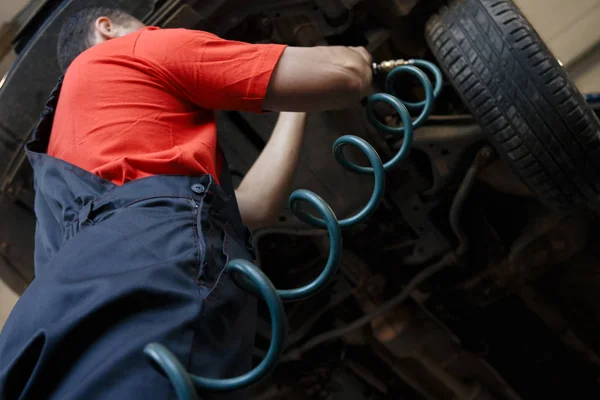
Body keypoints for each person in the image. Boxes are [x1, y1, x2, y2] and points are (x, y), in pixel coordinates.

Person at [0, 6, 372, 399]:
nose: (159, 33)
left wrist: (295, 110)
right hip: (150, 273)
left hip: (38, 330)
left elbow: (254, 206)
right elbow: (347, 74)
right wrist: (359, 58)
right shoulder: (129, 51)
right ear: (106, 28)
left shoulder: (62, 159)